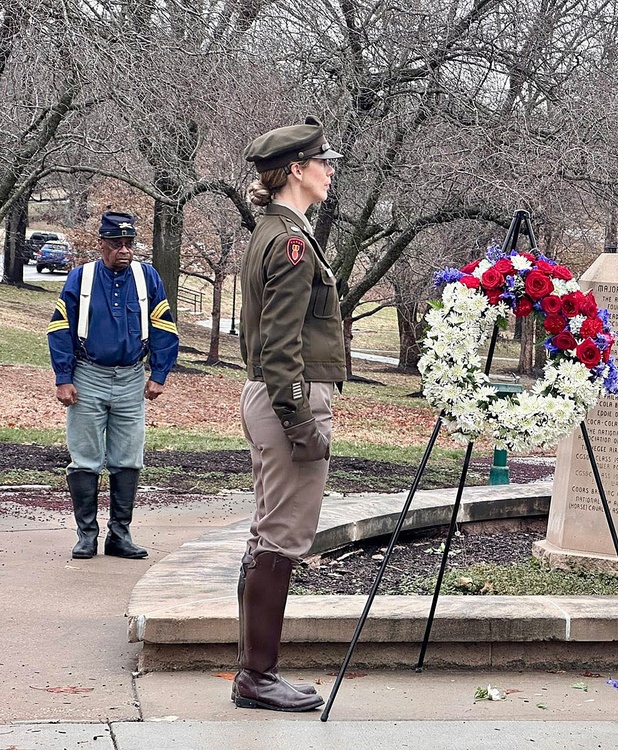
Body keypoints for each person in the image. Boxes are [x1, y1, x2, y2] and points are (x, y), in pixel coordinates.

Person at [232, 116, 347, 712]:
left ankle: (256, 672)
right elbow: (281, 347)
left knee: (267, 533)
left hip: (273, 396)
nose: (331, 171)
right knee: (282, 536)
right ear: (297, 170)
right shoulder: (292, 241)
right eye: (323, 162)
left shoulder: (275, 232)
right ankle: (258, 676)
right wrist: (301, 419)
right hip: (289, 398)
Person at [47, 211, 179, 560]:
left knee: (128, 459)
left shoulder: (146, 276)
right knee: (85, 459)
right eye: (117, 244)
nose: (124, 250)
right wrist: (63, 377)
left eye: (129, 243)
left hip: (132, 378)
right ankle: (86, 536)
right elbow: (59, 327)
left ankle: (119, 535)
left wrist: (159, 374)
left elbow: (164, 326)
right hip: (87, 376)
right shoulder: (82, 277)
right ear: (101, 244)